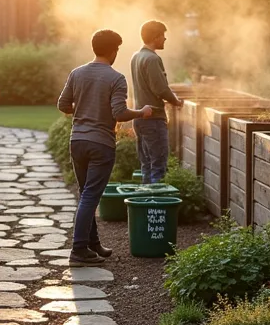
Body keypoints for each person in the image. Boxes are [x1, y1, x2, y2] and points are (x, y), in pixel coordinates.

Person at [57, 29, 153, 266]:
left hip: (77, 141)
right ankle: (78, 250)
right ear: (113, 51)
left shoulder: (77, 73)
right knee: (90, 196)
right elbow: (119, 113)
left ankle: (92, 244)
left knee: (85, 194)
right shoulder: (116, 78)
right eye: (117, 50)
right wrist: (141, 112)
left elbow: (62, 104)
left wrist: (84, 111)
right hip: (100, 144)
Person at [130, 19, 183, 183]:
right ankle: (155, 205)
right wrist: (176, 102)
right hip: (153, 120)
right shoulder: (152, 59)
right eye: (163, 36)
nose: (165, 39)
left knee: (147, 166)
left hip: (139, 118)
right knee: (158, 167)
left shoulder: (136, 57)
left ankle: (145, 205)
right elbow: (160, 89)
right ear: (155, 37)